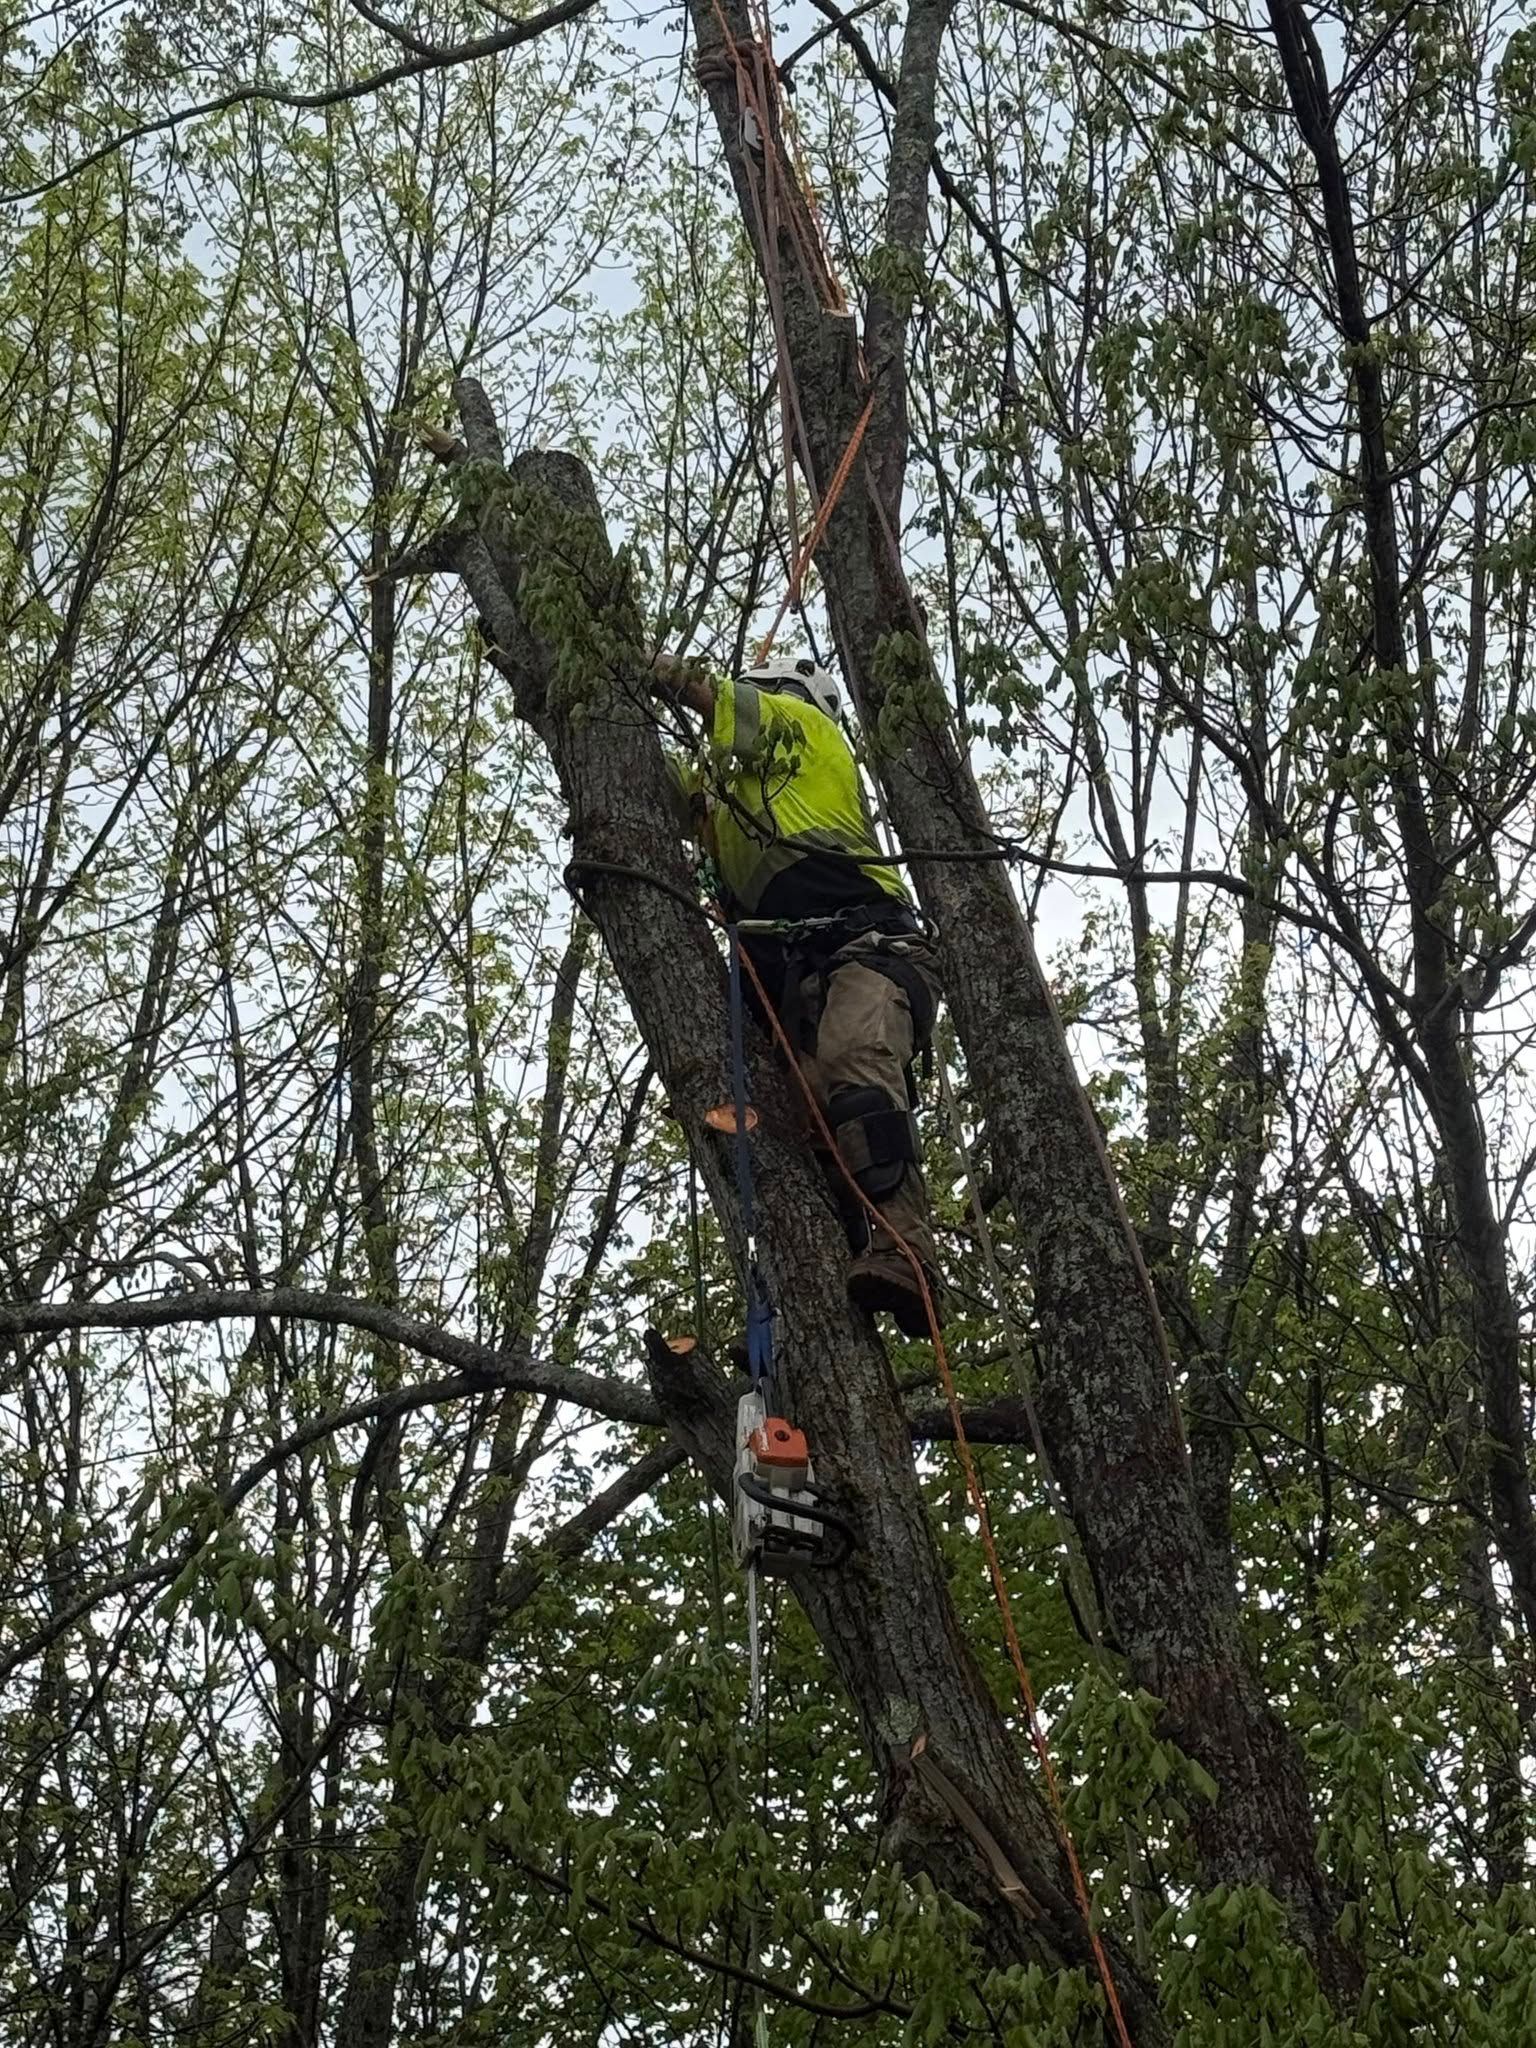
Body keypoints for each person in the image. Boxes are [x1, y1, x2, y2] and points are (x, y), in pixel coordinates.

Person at [652, 649, 943, 1336]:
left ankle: (910, 1254)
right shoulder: (733, 800)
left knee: (855, 1057)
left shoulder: (806, 731)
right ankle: (810, 1302)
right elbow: (673, 796)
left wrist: (659, 670)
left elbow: (718, 700)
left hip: (868, 947)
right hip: (797, 982)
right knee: (806, 1129)